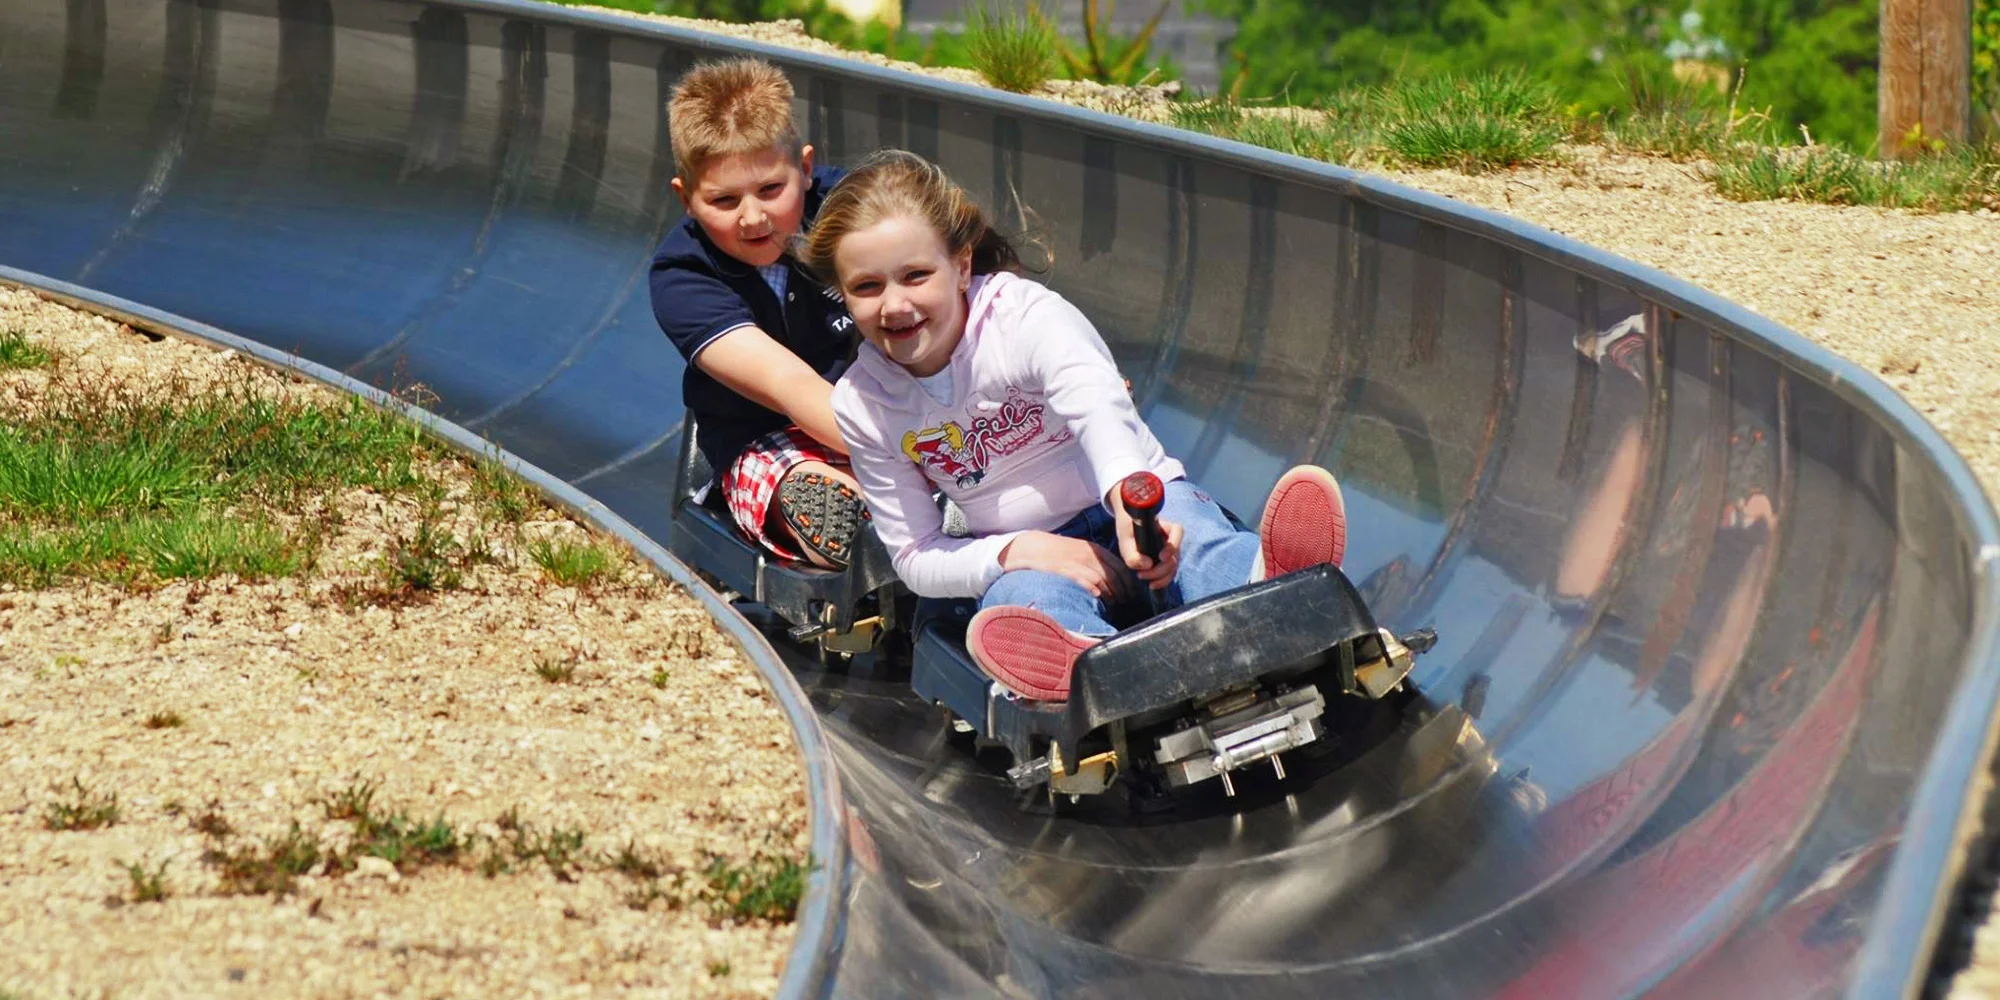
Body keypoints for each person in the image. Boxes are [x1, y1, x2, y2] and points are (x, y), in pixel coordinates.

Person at [798, 149, 1350, 702]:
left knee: (1196, 545)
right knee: (1023, 597)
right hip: (1032, 550)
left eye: (916, 276)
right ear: (843, 294)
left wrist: (1133, 506)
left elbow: (1097, 408)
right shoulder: (865, 402)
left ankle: (1267, 581)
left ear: (961, 266)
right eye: (867, 287)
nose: (895, 305)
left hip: (1133, 503)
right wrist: (1018, 552)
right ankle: (1083, 664)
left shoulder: (1023, 319)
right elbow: (916, 554)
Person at [647, 57, 868, 569]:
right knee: (793, 480)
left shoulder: (855, 208)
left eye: (771, 190)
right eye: (723, 200)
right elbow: (788, 384)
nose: (752, 217)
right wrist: (898, 467)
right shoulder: (684, 274)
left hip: (888, 407)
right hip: (768, 432)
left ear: (806, 169)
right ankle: (844, 517)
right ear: (686, 199)